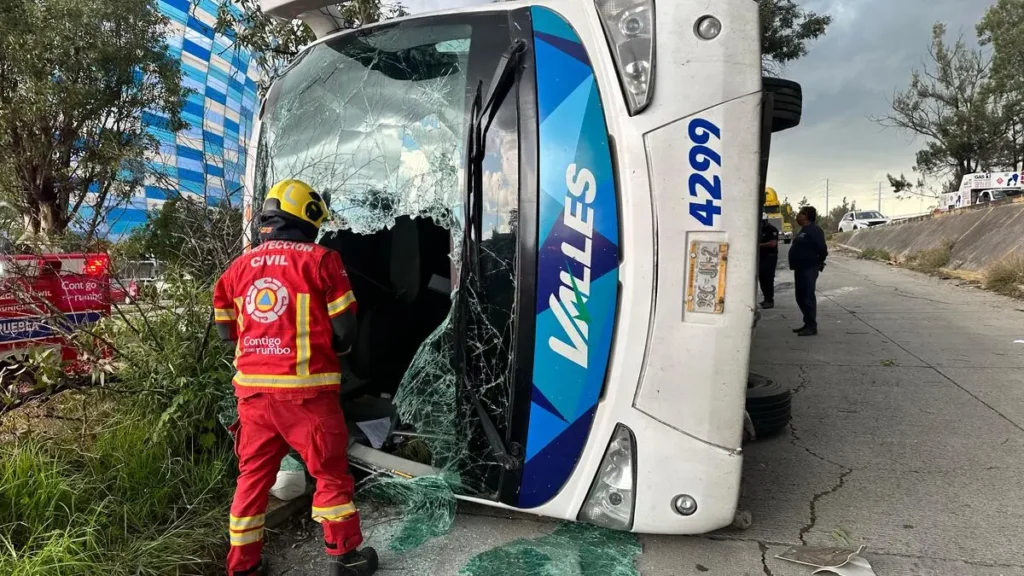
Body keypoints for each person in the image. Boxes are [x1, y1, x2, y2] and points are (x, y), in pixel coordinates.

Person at [213, 179, 377, 576]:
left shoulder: (236, 267)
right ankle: (345, 556)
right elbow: (346, 330)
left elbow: (225, 331)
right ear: (305, 218)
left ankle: (243, 566)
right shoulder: (322, 260)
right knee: (329, 473)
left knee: (252, 480)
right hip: (307, 395)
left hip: (252, 396)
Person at [788, 206, 827, 336]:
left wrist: (818, 262)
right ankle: (807, 323)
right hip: (800, 268)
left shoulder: (814, 230)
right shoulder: (804, 230)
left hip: (809, 268)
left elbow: (822, 249)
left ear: (806, 216)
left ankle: (811, 326)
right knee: (800, 297)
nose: (797, 216)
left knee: (808, 296)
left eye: (800, 213)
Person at [758, 214, 779, 309]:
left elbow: (773, 244)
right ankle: (766, 298)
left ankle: (770, 300)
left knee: (768, 278)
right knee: (762, 278)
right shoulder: (759, 230)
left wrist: (759, 245)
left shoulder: (772, 229)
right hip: (761, 257)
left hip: (770, 257)